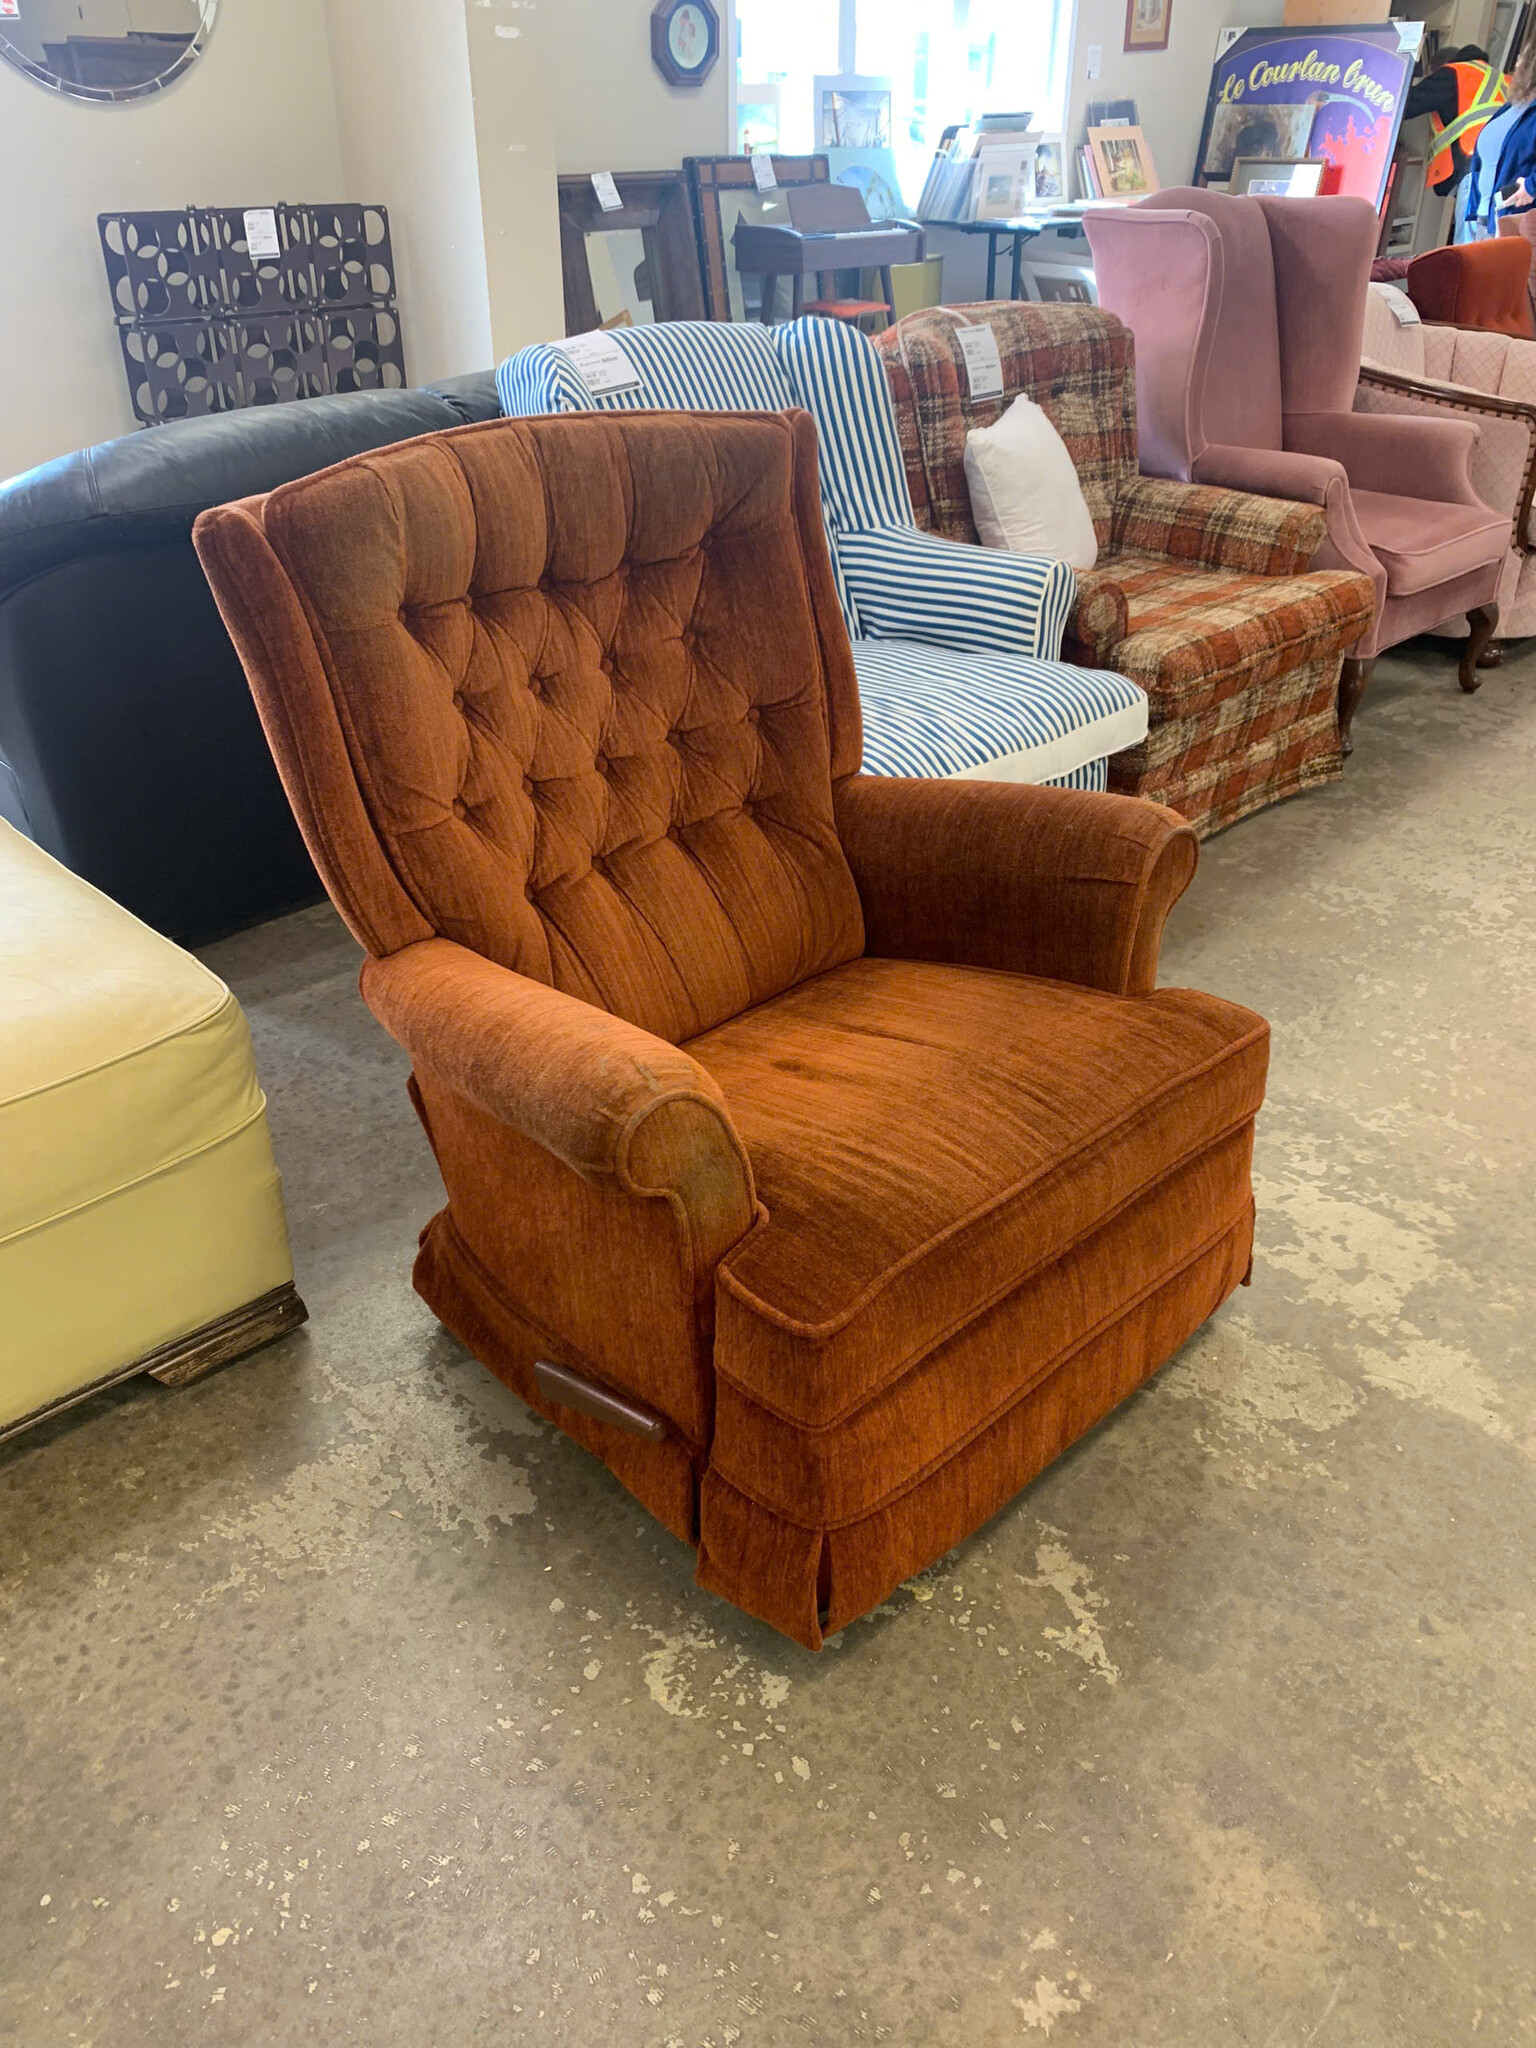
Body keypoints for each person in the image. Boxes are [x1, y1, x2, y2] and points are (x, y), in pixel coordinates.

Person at [1462, 31, 1536, 240]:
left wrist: (1531, 186)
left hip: (1517, 222)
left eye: (1522, 58)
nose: (1517, 63)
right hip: (1486, 217)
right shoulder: (1512, 107)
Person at [1407, 44, 1503, 198]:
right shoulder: (1499, 79)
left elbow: (1404, 104)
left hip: (1475, 167)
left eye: (1430, 78)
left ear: (1441, 68)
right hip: (1505, 167)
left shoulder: (1453, 74)